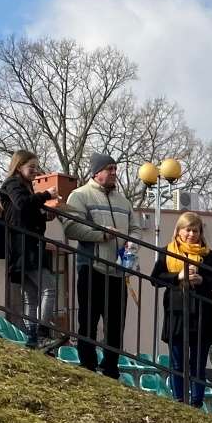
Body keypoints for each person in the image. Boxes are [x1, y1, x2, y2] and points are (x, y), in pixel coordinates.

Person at [63, 153, 135, 375]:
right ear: (96, 172)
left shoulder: (124, 201)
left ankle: (111, 367)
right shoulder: (79, 195)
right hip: (91, 267)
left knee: (116, 324)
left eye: (115, 168)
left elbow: (135, 228)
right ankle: (88, 363)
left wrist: (132, 243)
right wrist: (101, 235)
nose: (114, 173)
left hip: (118, 270)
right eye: (109, 169)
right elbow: (71, 227)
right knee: (89, 320)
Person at [150, 212, 212, 408]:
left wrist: (203, 280)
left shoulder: (208, 255)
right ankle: (179, 400)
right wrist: (178, 276)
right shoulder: (167, 252)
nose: (192, 234)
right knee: (177, 362)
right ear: (179, 231)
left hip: (202, 314)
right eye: (188, 230)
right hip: (177, 314)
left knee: (198, 363)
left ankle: (196, 402)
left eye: (196, 231)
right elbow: (155, 279)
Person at [0, 150, 59, 346]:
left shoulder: (25, 186)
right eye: (31, 167)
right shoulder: (12, 184)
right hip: (24, 247)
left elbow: (26, 214)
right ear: (19, 167)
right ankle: (41, 332)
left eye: (36, 167)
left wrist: (45, 216)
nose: (35, 170)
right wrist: (46, 194)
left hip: (28, 245)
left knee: (31, 295)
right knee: (49, 287)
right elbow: (22, 205)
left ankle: (32, 338)